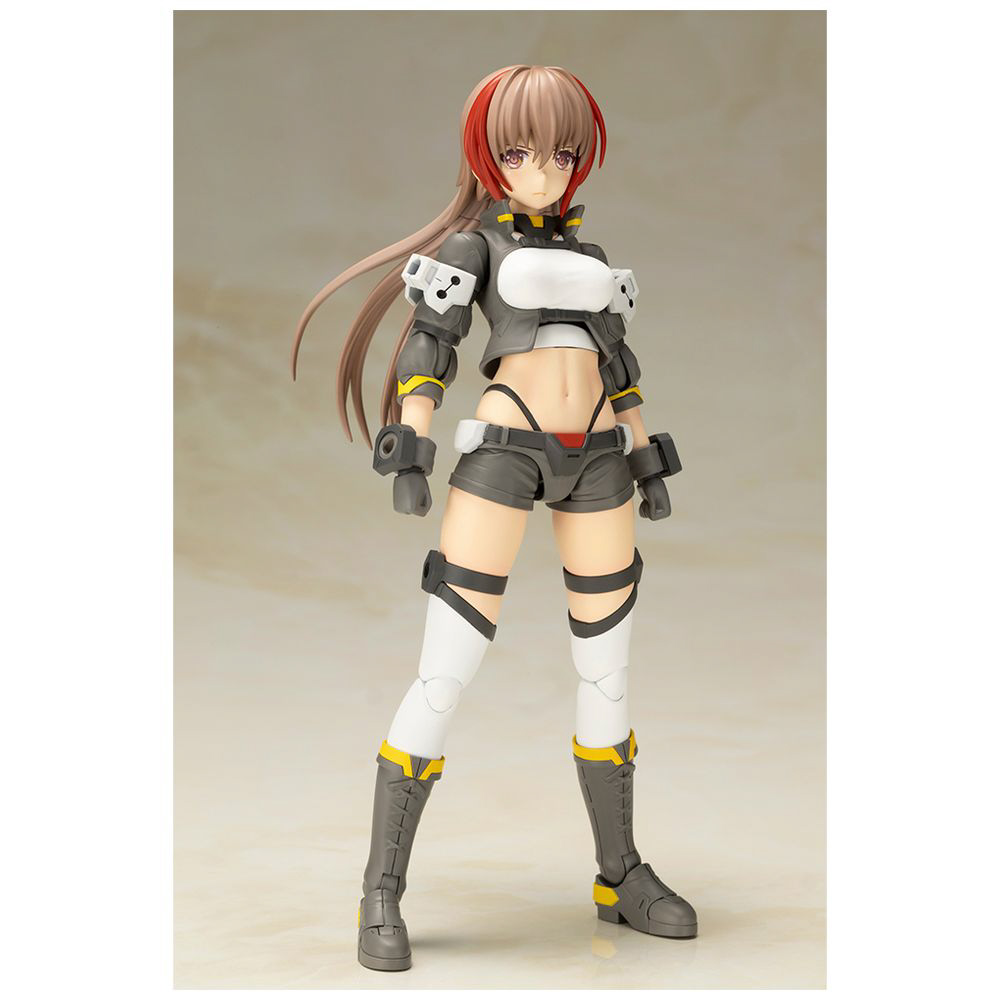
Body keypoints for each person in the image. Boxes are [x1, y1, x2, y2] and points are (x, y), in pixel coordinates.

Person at [293, 64, 695, 973]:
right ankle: (381, 888)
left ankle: (620, 873)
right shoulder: (476, 248)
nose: (542, 171)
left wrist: (644, 456)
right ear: (489, 157)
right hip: (506, 452)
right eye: (519, 153)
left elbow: (620, 369)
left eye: (560, 153)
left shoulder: (593, 261)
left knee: (608, 674)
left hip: (598, 460)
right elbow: (429, 342)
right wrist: (411, 442)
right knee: (447, 668)